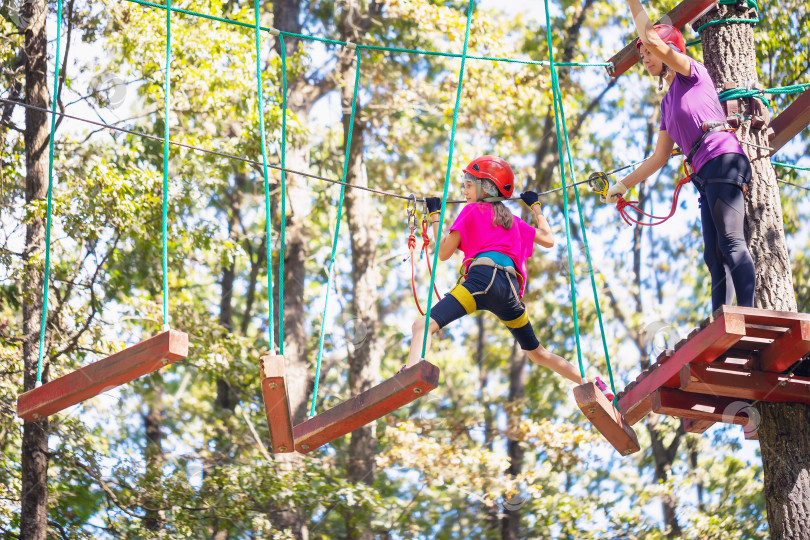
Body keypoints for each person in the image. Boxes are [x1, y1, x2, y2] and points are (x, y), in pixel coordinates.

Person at [405, 155, 614, 399]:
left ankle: (410, 373)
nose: (464, 191)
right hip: (510, 291)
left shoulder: (471, 210)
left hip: (481, 280)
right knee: (538, 353)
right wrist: (535, 207)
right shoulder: (513, 222)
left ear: (486, 188)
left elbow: (442, 253)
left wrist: (435, 216)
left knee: (422, 325)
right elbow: (548, 239)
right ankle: (592, 382)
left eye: (469, 185)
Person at [604, 0, 756, 312]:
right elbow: (659, 157)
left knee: (730, 240)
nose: (645, 58)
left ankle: (751, 313)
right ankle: (722, 320)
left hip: (722, 158)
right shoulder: (667, 104)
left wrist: (633, 4)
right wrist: (623, 184)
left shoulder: (692, 73)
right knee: (713, 255)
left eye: (648, 53)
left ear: (668, 50)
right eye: (643, 54)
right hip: (705, 172)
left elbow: (653, 39)